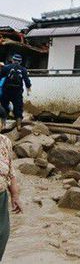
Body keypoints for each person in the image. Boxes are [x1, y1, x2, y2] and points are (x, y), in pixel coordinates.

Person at [0, 109, 22, 261]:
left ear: (2, 124)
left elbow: (11, 171)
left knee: (2, 235)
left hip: (1, 199)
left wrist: (15, 195)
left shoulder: (5, 142)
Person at [1, 54, 31, 130]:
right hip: (17, 92)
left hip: (6, 91)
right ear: (20, 62)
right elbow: (27, 81)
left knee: (4, 106)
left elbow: (0, 77)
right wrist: (28, 88)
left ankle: (3, 125)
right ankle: (19, 126)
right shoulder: (23, 69)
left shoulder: (6, 67)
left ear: (12, 60)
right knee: (18, 108)